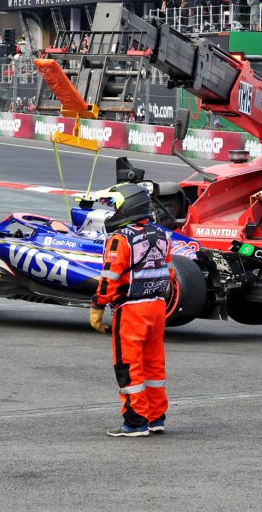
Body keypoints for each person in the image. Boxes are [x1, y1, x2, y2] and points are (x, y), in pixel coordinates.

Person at [90, 184, 172, 437]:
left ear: (127, 206)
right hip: (158, 306)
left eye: (115, 205)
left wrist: (97, 306)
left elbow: (109, 277)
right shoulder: (161, 234)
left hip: (131, 310)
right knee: (153, 365)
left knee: (129, 365)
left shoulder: (120, 238)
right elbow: (168, 272)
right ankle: (156, 417)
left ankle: (135, 422)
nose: (113, 211)